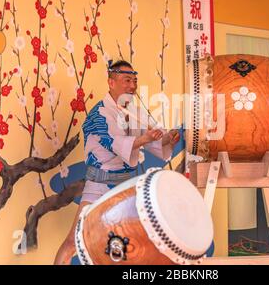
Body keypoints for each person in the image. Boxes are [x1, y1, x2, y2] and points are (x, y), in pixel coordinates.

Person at [54, 60, 180, 265]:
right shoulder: (99, 115)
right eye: (127, 80)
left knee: (127, 244)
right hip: (99, 184)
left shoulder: (134, 112)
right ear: (111, 83)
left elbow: (154, 142)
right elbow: (116, 143)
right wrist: (145, 139)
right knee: (75, 241)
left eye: (134, 81)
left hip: (125, 188)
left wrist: (167, 139)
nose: (132, 86)